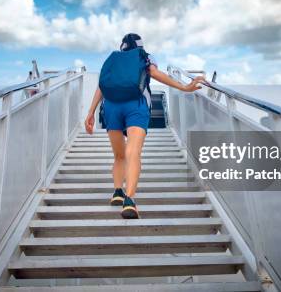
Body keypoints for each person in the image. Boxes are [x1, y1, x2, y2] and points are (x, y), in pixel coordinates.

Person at [84, 33, 205, 219]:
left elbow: (101, 85)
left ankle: (117, 192)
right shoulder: (145, 56)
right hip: (136, 105)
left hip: (111, 107)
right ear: (140, 45)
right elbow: (155, 73)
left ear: (122, 45)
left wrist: (91, 112)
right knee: (133, 151)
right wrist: (184, 87)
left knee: (119, 154)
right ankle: (129, 201)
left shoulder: (114, 59)